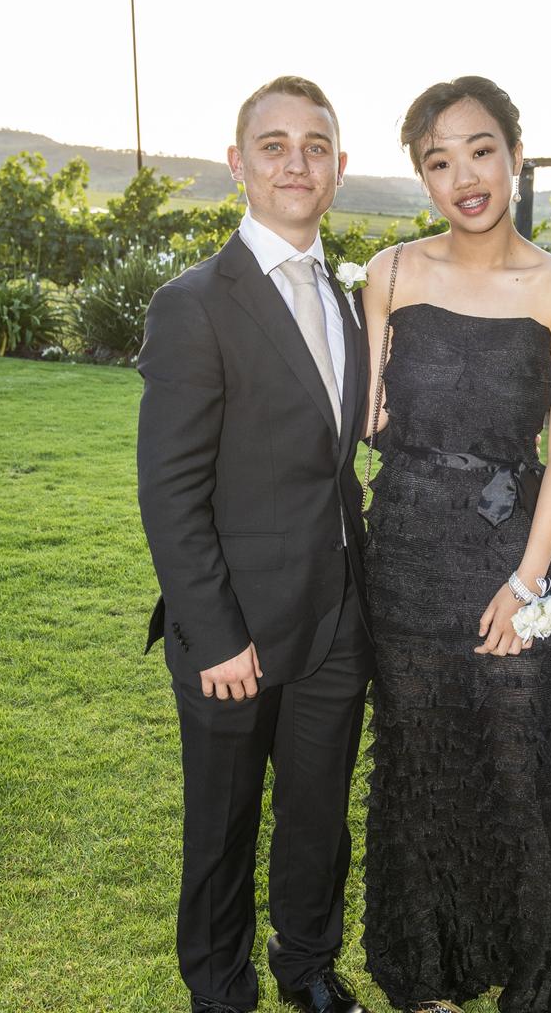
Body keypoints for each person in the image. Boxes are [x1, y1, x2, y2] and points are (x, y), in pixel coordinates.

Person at [359, 77, 551, 1013]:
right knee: (418, 773)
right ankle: (429, 984)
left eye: (480, 148)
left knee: (516, 776)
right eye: (438, 159)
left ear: (515, 153)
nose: (464, 175)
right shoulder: (389, 272)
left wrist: (527, 578)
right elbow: (366, 416)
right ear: (421, 177)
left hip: (515, 563)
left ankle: (534, 990)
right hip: (405, 561)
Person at [136, 76, 375, 1013]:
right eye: (272, 145)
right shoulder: (193, 303)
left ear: (340, 169)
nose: (295, 162)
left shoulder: (350, 297)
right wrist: (217, 631)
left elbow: (328, 450)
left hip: (336, 618)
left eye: (315, 145)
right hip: (232, 630)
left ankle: (308, 970)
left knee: (319, 822)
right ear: (238, 165)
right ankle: (220, 990)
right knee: (223, 828)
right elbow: (170, 490)